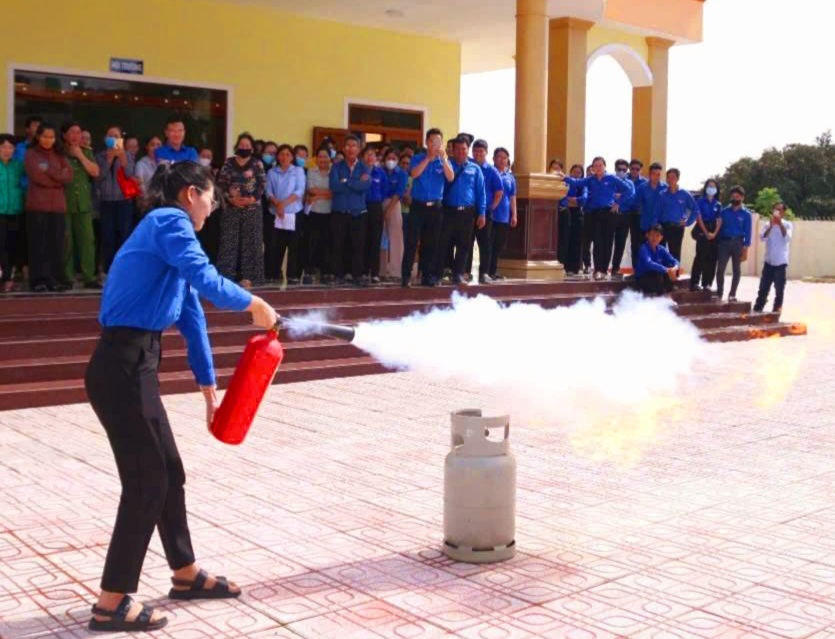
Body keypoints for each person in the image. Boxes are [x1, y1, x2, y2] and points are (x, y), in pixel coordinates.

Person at [84, 160, 277, 634]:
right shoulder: (169, 221)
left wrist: (209, 390)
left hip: (137, 365)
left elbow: (192, 315)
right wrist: (253, 303)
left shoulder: (171, 241)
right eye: (211, 198)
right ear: (191, 193)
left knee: (169, 472)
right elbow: (207, 279)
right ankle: (111, 602)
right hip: (120, 365)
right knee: (147, 479)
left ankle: (185, 573)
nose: (212, 208)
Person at [561, 156, 633, 281]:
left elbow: (629, 190)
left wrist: (618, 203)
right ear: (593, 168)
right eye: (596, 166)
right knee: (597, 241)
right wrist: (564, 177)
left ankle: (604, 270)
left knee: (607, 242)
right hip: (595, 213)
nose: (598, 168)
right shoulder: (591, 179)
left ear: (604, 166)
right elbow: (577, 182)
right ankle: (598, 270)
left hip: (609, 213)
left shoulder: (612, 178)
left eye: (600, 165)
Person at [24, 122, 73, 292]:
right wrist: (57, 178)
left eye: (51, 137)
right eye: (45, 136)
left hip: (57, 206)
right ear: (38, 136)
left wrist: (48, 171)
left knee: (57, 244)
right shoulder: (31, 154)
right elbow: (37, 176)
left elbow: (68, 176)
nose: (48, 140)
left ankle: (56, 279)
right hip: (37, 205)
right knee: (39, 245)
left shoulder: (60, 154)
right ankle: (39, 280)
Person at [402, 128, 454, 287]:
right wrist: (428, 159)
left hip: (435, 208)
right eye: (432, 141)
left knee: (431, 243)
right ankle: (406, 276)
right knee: (411, 242)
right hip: (418, 206)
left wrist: (443, 159)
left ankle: (427, 276)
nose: (435, 145)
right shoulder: (417, 158)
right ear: (427, 142)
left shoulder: (443, 160)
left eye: (438, 142)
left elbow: (450, 177)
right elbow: (414, 174)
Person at [216, 133, 266, 289]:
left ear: (252, 148)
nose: (244, 148)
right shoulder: (228, 162)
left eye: (247, 146)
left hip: (252, 209)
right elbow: (221, 184)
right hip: (231, 208)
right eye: (242, 145)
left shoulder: (257, 164)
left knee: (252, 244)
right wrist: (230, 199)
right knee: (229, 243)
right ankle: (225, 277)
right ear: (237, 146)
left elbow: (261, 184)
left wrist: (251, 199)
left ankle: (250, 278)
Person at [438, 136, 486, 285]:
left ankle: (458, 274)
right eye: (457, 149)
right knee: (443, 243)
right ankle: (439, 273)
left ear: (468, 150)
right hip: (448, 211)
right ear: (453, 150)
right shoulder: (447, 166)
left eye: (463, 149)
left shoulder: (475, 169)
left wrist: (482, 213)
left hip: (467, 213)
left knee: (464, 245)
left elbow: (481, 192)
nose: (460, 152)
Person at [61, 121, 101, 289]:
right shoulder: (59, 152)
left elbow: (95, 172)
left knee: (87, 240)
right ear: (64, 135)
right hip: (64, 201)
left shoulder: (86, 152)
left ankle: (89, 276)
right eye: (72, 132)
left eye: (78, 132)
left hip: (83, 203)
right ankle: (67, 276)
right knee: (66, 241)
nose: (76, 136)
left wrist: (80, 155)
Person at [329, 135, 370, 286]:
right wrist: (355, 183)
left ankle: (357, 275)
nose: (351, 148)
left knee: (358, 245)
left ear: (358, 149)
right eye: (348, 145)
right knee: (338, 244)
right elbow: (334, 186)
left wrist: (346, 181)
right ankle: (338, 274)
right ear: (343, 148)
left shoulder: (364, 167)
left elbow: (365, 186)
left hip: (358, 212)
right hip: (339, 211)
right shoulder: (336, 166)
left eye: (354, 145)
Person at [96, 126, 137, 273]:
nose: (113, 139)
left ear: (121, 139)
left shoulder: (128, 155)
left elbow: (130, 174)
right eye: (110, 136)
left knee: (124, 235)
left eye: (116, 136)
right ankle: (108, 269)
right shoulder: (99, 157)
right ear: (105, 139)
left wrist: (122, 157)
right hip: (106, 201)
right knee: (108, 237)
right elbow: (99, 177)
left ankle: (124, 268)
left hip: (124, 201)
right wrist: (109, 160)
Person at [267, 144, 306, 285]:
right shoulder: (272, 172)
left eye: (288, 154)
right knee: (276, 245)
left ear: (292, 157)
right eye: (282, 154)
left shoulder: (298, 171)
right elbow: (268, 191)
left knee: (294, 245)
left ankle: (293, 275)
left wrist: (283, 204)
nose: (284, 157)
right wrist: (277, 204)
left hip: (294, 213)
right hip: (276, 213)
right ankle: (275, 273)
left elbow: (299, 191)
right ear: (278, 156)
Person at [469, 139, 503, 284]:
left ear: (486, 153)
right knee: (466, 242)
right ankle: (465, 272)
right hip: (469, 211)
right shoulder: (468, 167)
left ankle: (484, 273)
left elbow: (499, 192)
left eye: (481, 151)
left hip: (485, 212)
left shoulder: (492, 171)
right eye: (475, 151)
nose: (477, 154)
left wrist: (490, 208)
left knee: (484, 243)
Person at [754, 202, 792, 314]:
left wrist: (780, 225)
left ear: (783, 213)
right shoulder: (767, 224)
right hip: (769, 261)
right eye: (776, 209)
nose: (777, 212)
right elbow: (762, 237)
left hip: (780, 262)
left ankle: (776, 310)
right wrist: (771, 226)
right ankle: (758, 308)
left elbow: (787, 238)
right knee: (763, 288)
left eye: (780, 210)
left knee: (779, 289)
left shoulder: (788, 225)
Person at [716, 185, 752, 302]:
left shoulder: (746, 214)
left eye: (737, 197)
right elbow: (719, 228)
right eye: (733, 196)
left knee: (737, 270)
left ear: (742, 198)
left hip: (738, 243)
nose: (735, 199)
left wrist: (746, 249)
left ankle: (732, 294)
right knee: (720, 269)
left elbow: (748, 232)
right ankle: (719, 293)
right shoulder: (724, 212)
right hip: (724, 243)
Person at [612, 159, 647, 278]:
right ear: (629, 169)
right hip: (622, 214)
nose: (635, 171)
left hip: (637, 215)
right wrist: (620, 197)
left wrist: (621, 197)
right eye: (633, 168)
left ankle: (636, 271)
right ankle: (615, 269)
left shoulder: (644, 183)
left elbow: (636, 199)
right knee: (619, 242)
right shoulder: (619, 180)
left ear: (640, 170)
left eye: (637, 169)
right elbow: (612, 196)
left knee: (636, 244)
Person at [303, 147, 333, 284]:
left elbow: (336, 192)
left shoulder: (334, 172)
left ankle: (325, 272)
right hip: (314, 211)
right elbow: (311, 190)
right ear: (316, 158)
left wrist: (318, 196)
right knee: (312, 242)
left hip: (329, 212)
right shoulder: (311, 171)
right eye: (320, 156)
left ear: (330, 158)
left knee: (327, 243)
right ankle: (309, 271)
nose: (323, 159)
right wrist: (326, 193)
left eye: (325, 156)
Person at [655, 168, 698, 261]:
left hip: (677, 228)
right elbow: (657, 212)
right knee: (660, 253)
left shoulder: (684, 194)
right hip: (663, 227)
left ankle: (674, 270)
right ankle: (661, 270)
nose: (670, 180)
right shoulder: (662, 194)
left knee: (675, 254)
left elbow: (695, 209)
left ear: (678, 179)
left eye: (673, 177)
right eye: (668, 177)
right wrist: (655, 227)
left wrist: (688, 222)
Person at [488, 147, 517, 281]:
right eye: (499, 157)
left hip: (504, 217)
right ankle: (485, 271)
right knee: (488, 244)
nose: (501, 160)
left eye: (504, 158)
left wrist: (514, 214)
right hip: (490, 215)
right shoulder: (489, 172)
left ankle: (493, 271)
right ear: (494, 158)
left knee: (498, 246)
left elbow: (512, 196)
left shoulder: (510, 177)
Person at [0, 133, 24, 292]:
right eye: (3, 147)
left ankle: (8, 278)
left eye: (10, 147)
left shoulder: (18, 166)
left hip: (15, 211)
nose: (7, 150)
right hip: (0, 211)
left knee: (12, 247)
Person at [689, 179, 722, 292]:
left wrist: (714, 233)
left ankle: (707, 283)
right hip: (702, 228)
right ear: (706, 188)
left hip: (714, 230)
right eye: (709, 186)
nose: (711, 188)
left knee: (712, 258)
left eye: (713, 186)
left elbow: (719, 220)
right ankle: (694, 283)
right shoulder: (700, 201)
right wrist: (706, 233)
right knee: (700, 256)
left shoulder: (718, 204)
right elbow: (699, 218)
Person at [379, 148, 408, 280]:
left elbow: (399, 191)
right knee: (381, 238)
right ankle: (381, 270)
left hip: (394, 204)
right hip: (379, 203)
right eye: (388, 158)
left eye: (394, 158)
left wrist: (389, 209)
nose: (390, 161)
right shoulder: (380, 171)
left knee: (396, 238)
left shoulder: (402, 173)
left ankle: (396, 272)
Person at [634, 224, 680, 295]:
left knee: (670, 267)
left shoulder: (661, 249)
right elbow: (649, 263)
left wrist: (674, 269)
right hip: (643, 278)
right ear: (647, 235)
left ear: (661, 238)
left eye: (657, 235)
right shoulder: (643, 248)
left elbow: (675, 261)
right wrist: (667, 270)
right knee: (659, 273)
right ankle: (660, 293)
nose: (654, 238)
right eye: (652, 235)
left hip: (656, 278)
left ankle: (666, 290)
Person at [363, 146, 386, 284]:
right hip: (361, 206)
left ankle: (375, 273)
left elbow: (385, 190)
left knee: (375, 240)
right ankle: (363, 271)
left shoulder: (380, 173)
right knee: (362, 240)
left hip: (376, 207)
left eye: (372, 154)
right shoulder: (359, 171)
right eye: (367, 154)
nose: (370, 157)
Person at [561, 164, 587, 276]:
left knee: (576, 241)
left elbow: (583, 199)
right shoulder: (565, 183)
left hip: (577, 215)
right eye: (574, 172)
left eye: (579, 172)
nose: (576, 174)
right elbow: (562, 198)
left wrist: (570, 200)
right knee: (565, 240)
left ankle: (573, 268)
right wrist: (573, 201)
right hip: (566, 213)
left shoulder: (583, 185)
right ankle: (563, 266)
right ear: (570, 172)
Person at [259, 142, 279, 281]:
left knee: (271, 242)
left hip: (272, 210)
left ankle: (270, 271)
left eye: (273, 153)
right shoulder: (257, 167)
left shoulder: (277, 169)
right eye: (268, 152)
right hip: (257, 208)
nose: (270, 156)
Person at [635, 162, 668, 236]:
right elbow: (637, 204)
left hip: (661, 226)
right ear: (649, 174)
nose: (656, 176)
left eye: (658, 174)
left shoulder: (666, 188)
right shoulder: (642, 188)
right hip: (645, 225)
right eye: (654, 174)